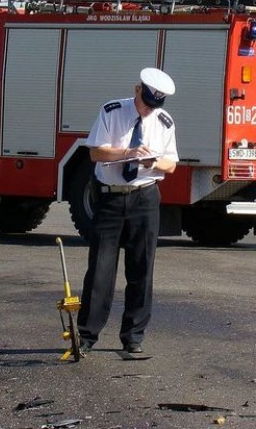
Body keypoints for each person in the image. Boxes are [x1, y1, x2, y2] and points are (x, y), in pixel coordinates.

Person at [77, 67, 178, 356]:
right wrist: (128, 153)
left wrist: (152, 163)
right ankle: (87, 335)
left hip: (144, 197)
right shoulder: (112, 111)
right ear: (137, 91)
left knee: (142, 268)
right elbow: (95, 152)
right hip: (110, 198)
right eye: (146, 103)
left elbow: (171, 164)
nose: (148, 111)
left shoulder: (164, 122)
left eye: (154, 106)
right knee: (100, 269)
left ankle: (133, 336)